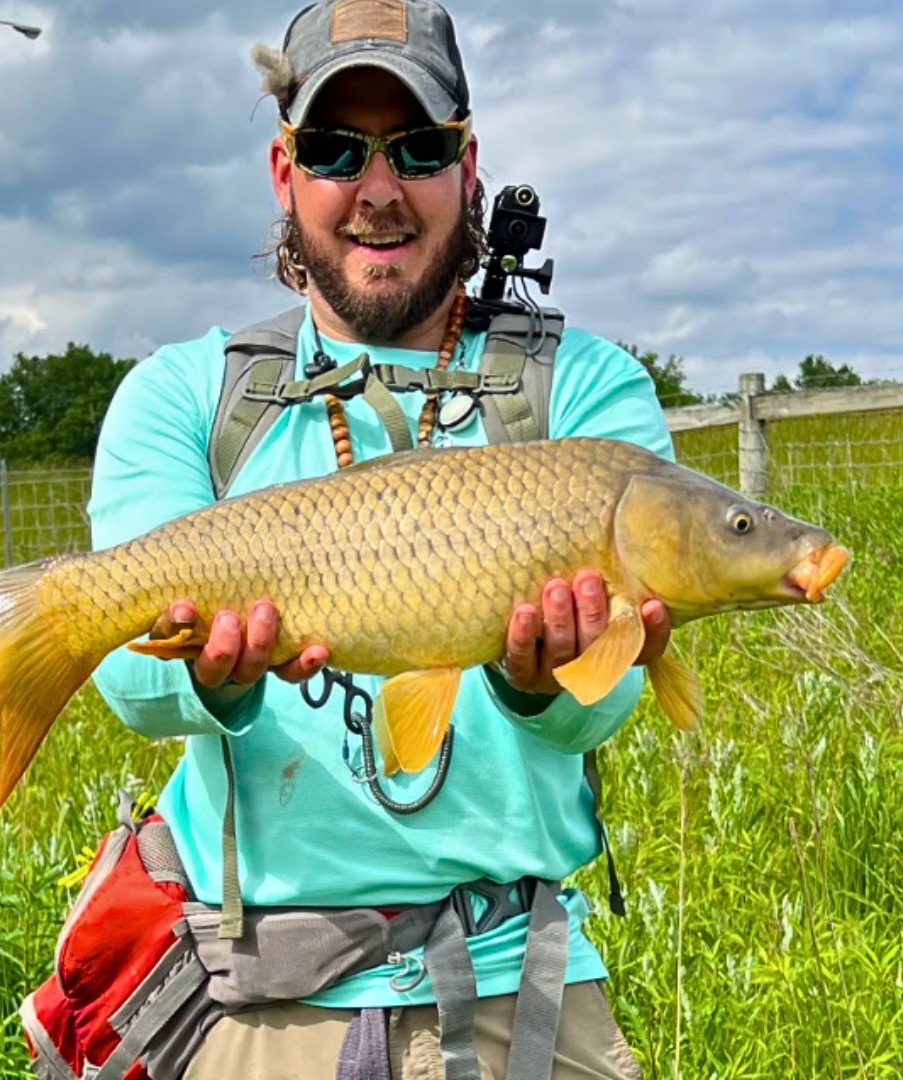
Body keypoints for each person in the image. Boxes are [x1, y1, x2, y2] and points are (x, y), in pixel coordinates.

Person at [78, 1, 673, 1077]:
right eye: (336, 149)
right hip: (256, 989)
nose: (379, 187)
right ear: (282, 170)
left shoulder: (587, 390)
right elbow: (129, 682)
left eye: (418, 148)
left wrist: (541, 685)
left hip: (519, 979)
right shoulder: (182, 397)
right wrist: (211, 679)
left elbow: (611, 702)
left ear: (469, 163)